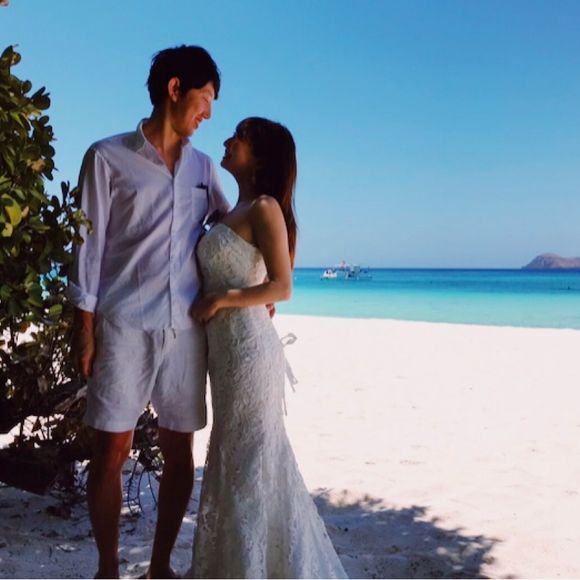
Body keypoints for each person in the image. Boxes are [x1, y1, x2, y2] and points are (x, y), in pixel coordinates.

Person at [67, 45, 229, 579]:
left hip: (185, 330)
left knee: (181, 451)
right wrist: (84, 326)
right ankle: (108, 569)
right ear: (175, 89)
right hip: (123, 324)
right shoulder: (106, 157)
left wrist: (263, 280)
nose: (209, 114)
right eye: (206, 99)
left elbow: (234, 225)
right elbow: (87, 248)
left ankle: (160, 566)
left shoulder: (204, 169)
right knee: (111, 450)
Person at [188, 117, 347, 578]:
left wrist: (221, 298)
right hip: (224, 355)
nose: (227, 140)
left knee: (251, 462)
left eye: (239, 137)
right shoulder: (229, 210)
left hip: (249, 352)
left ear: (259, 158)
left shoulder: (265, 208)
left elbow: (282, 287)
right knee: (234, 459)